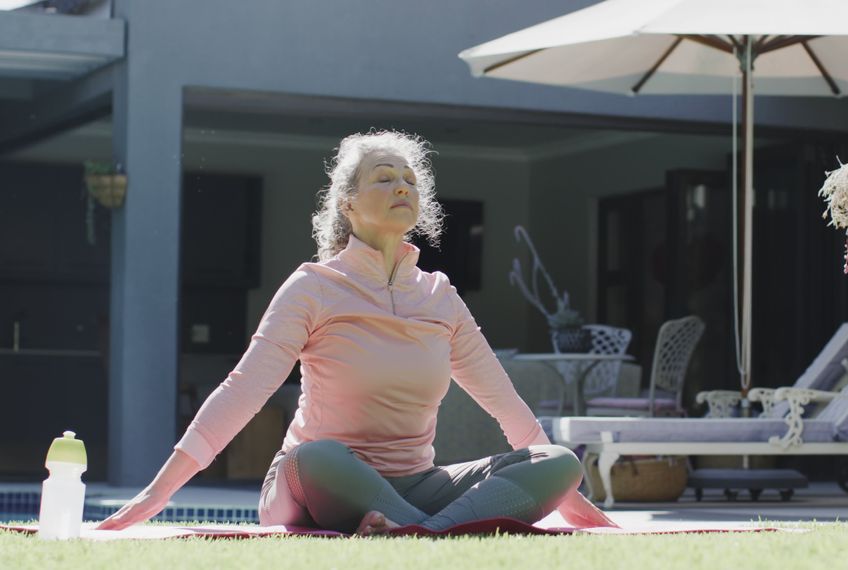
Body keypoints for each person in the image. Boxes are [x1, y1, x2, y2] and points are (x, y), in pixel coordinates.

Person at [97, 131, 615, 534]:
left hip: (419, 486)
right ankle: (431, 532)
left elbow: (505, 404)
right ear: (347, 204)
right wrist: (158, 493)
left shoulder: (440, 297)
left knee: (557, 460)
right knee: (318, 455)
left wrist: (568, 493)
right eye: (385, 177)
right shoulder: (314, 287)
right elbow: (243, 389)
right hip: (317, 480)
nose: (402, 187)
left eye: (410, 180)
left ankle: (414, 532)